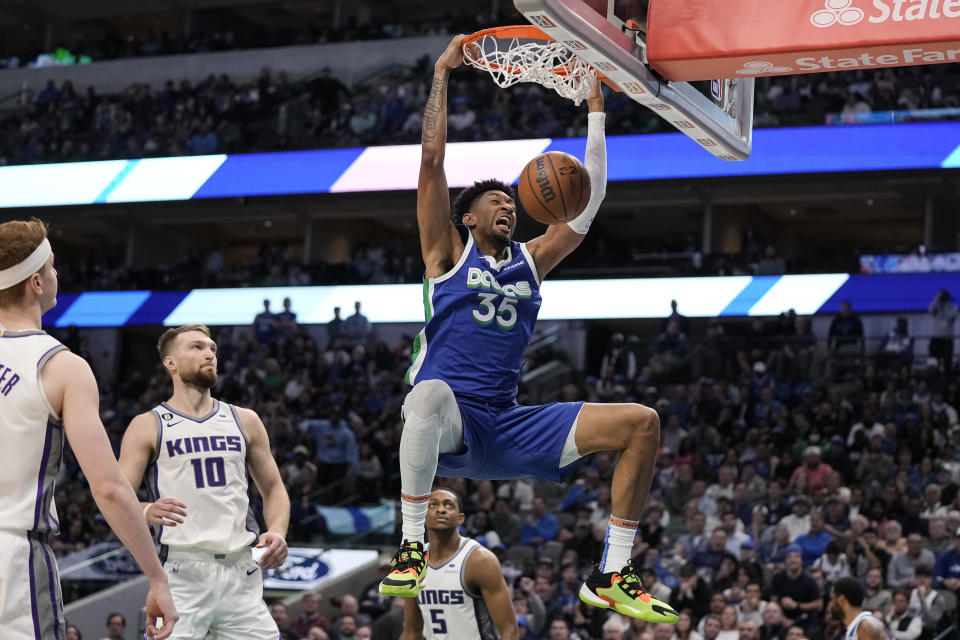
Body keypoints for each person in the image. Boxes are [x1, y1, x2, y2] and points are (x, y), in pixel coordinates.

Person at [381, 35, 675, 624]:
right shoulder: (445, 256)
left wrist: (595, 110)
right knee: (430, 392)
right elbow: (431, 164)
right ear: (467, 218)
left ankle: (613, 571)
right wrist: (442, 73)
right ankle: (412, 545)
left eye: (509, 200)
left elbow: (586, 207)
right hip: (447, 425)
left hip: (508, 421)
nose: (506, 206)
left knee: (642, 422)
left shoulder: (532, 259)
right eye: (493, 202)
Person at [0, 219, 178, 639]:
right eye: (53, 267)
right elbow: (110, 488)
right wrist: (157, 577)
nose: (57, 274)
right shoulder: (62, 366)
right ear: (36, 283)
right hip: (12, 559)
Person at [118, 323, 291, 639]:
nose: (209, 353)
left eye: (212, 348)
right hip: (183, 570)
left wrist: (278, 530)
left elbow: (274, 488)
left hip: (242, 570)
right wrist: (145, 510)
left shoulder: (245, 419)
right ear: (170, 363)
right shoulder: (147, 425)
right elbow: (117, 496)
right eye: (196, 347)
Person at [399, 488, 518, 639]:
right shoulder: (412, 562)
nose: (441, 510)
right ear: (423, 516)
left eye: (449, 506)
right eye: (433, 505)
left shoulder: (480, 560)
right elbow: (411, 632)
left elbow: (509, 630)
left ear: (460, 518)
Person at [929, 289, 957, 376]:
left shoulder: (953, 309)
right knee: (933, 363)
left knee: (947, 363)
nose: (943, 300)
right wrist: (937, 298)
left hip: (947, 340)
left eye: (943, 298)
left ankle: (946, 381)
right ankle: (934, 379)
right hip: (936, 339)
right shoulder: (937, 309)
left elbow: (951, 316)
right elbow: (930, 309)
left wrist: (946, 304)